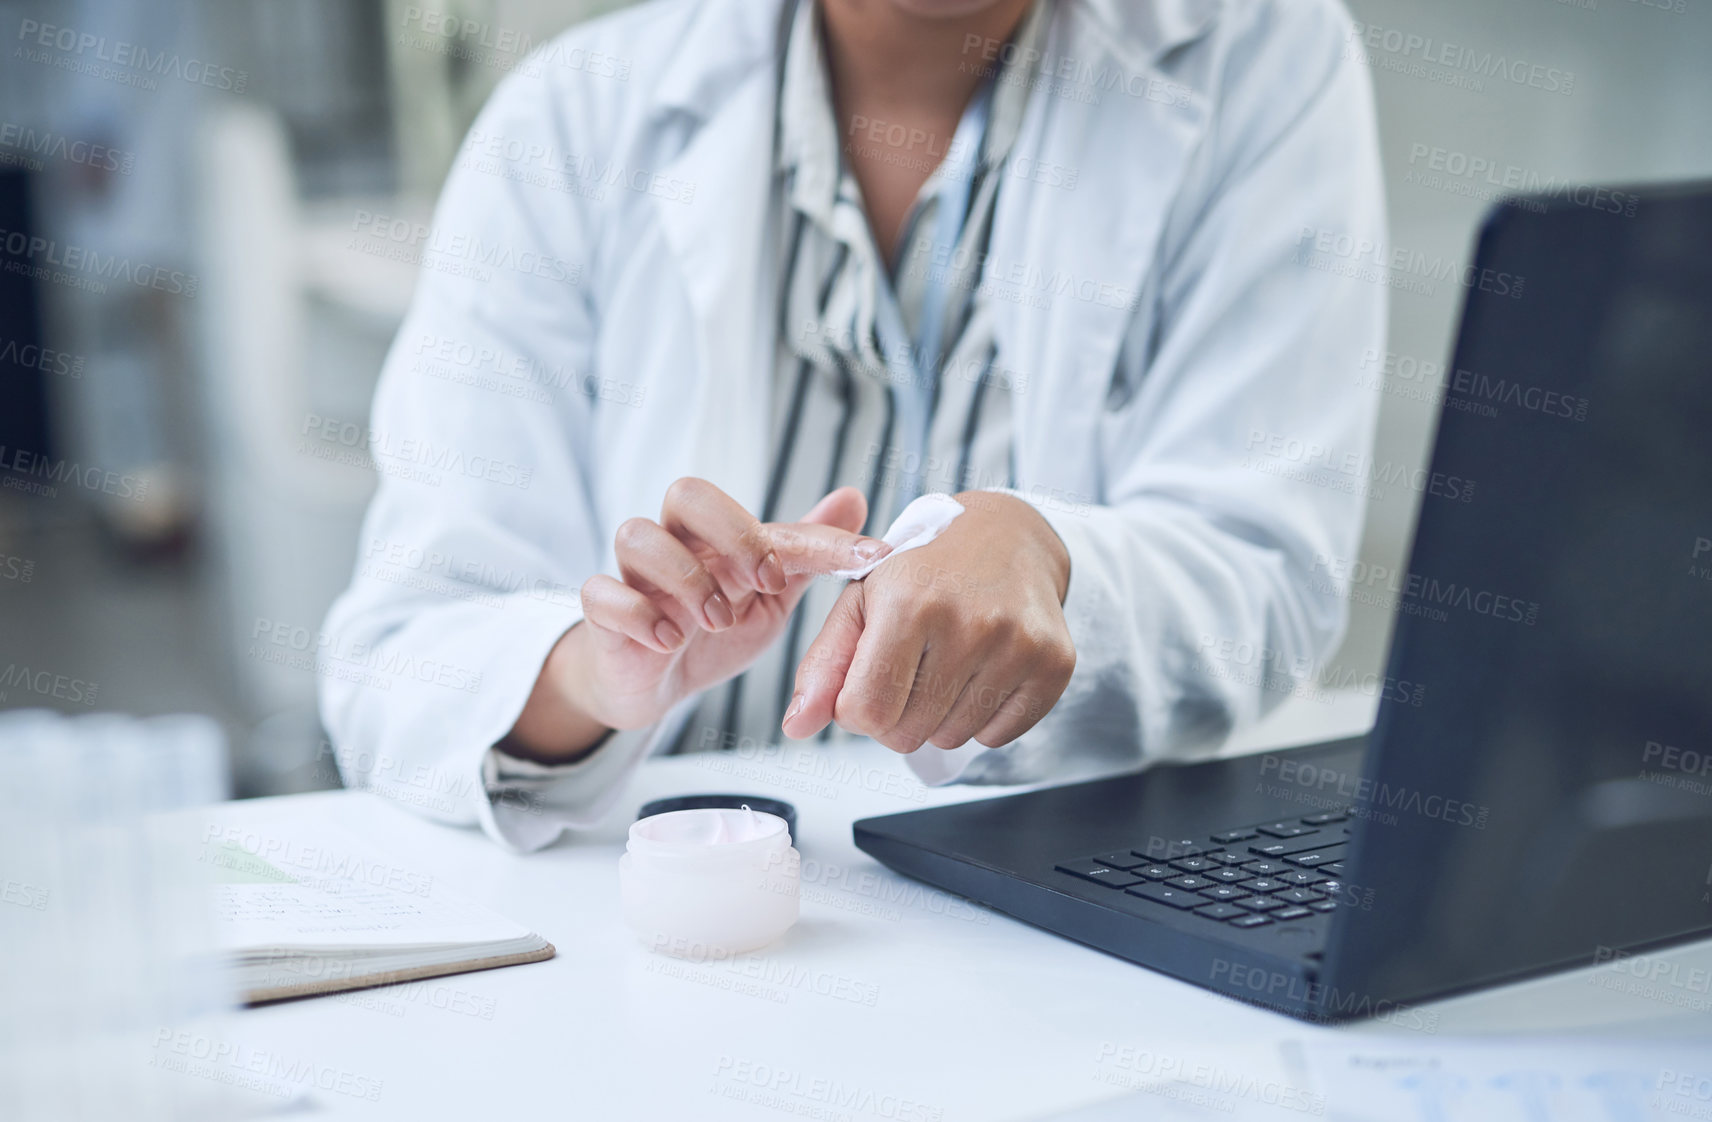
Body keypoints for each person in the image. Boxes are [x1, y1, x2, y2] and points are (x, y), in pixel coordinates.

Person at [320, 0, 1387, 851]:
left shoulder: (1262, 55)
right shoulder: (570, 116)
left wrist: (1052, 560)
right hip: (669, 898)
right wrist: (595, 675)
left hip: (1062, 897)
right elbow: (400, 660)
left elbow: (1264, 576)